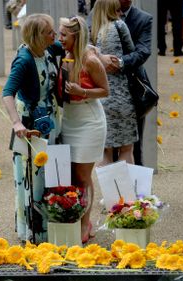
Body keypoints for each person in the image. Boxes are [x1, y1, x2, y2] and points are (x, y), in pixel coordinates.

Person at [2, 14, 63, 243]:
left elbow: (71, 44)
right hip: (30, 127)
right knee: (33, 177)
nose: (54, 35)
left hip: (48, 119)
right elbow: (7, 92)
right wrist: (16, 122)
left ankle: (49, 227)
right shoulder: (25, 60)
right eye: (50, 32)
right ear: (38, 36)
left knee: (48, 175)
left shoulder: (49, 47)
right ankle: (35, 233)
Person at [59, 16, 109, 243]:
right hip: (69, 118)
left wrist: (82, 90)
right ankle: (75, 217)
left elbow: (105, 90)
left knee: (83, 175)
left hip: (89, 119)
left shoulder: (90, 60)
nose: (60, 38)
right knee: (70, 174)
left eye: (64, 35)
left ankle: (85, 223)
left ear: (75, 37)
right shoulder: (64, 54)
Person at [103, 0, 152, 166]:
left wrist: (120, 62)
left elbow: (143, 51)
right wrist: (101, 59)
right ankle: (114, 189)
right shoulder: (97, 15)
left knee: (134, 144)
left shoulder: (144, 19)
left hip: (132, 89)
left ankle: (137, 190)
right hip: (104, 88)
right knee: (109, 146)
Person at [91, 0, 137, 165]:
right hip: (122, 93)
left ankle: (109, 190)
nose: (120, 13)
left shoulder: (95, 31)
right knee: (126, 148)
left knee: (105, 149)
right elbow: (131, 52)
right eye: (117, 9)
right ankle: (126, 189)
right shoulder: (119, 25)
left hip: (101, 94)